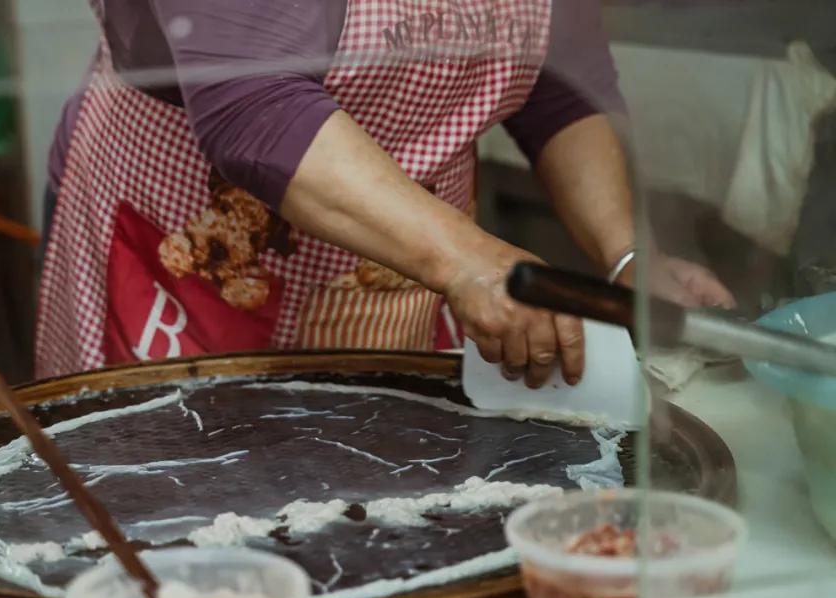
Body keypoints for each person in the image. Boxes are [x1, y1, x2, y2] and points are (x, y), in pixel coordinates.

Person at [37, 0, 734, 388]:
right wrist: (468, 260)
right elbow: (256, 102)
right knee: (182, 521)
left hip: (408, 266)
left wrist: (627, 255)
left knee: (377, 504)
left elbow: (561, 84)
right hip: (194, 248)